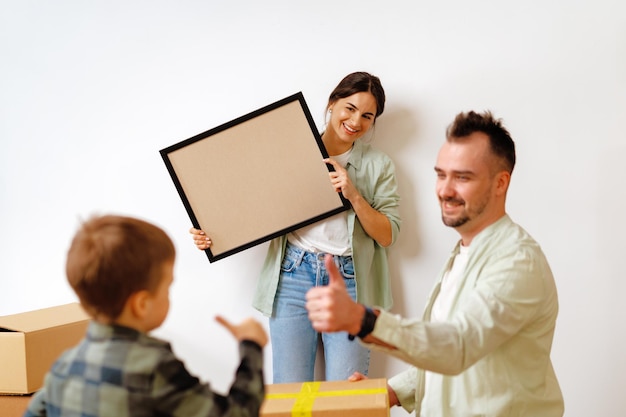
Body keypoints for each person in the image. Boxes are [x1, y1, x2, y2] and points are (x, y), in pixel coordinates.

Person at [305, 111, 564, 416]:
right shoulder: (465, 253)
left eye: (463, 177)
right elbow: (444, 349)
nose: (445, 190)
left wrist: (363, 320)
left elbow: (458, 346)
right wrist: (390, 391)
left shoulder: (517, 263)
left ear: (500, 183)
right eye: (441, 174)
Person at [190, 71, 401, 383]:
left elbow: (387, 235)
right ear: (332, 103)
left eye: (367, 116)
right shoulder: (291, 148)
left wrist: (353, 194)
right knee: (289, 391)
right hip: (293, 274)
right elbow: (249, 203)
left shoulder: (379, 164)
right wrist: (213, 234)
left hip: (349, 281)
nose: (356, 121)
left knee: (349, 396)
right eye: (350, 108)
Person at [24, 214, 267, 417]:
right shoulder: (155, 368)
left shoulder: (63, 367)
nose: (169, 295)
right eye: (167, 287)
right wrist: (251, 346)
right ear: (141, 304)